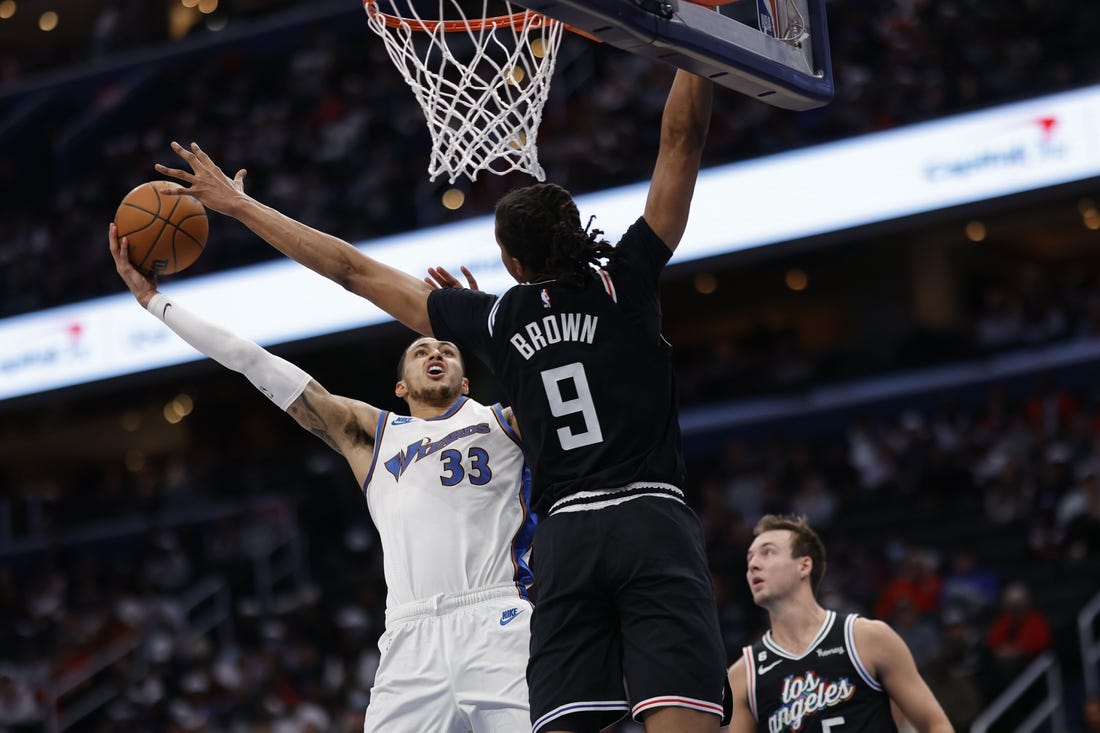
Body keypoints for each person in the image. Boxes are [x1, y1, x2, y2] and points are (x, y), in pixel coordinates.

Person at [154, 67, 725, 733]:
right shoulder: (622, 283)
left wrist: (241, 206)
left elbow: (352, 269)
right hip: (648, 515)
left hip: (566, 542)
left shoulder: (497, 322)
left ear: (511, 263)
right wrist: (696, 43)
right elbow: (680, 140)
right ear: (575, 234)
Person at [108, 225, 536, 732]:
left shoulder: (505, 421)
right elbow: (253, 362)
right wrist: (155, 302)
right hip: (409, 638)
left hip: (498, 618)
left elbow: (554, 369)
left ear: (466, 380)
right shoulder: (371, 435)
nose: (435, 354)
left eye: (447, 350)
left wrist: (481, 322)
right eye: (421, 352)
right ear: (401, 386)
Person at [727, 514, 953, 733]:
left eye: (767, 552)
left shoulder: (867, 638)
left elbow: (935, 725)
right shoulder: (742, 676)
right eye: (750, 558)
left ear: (804, 566)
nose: (753, 565)